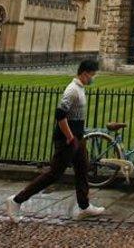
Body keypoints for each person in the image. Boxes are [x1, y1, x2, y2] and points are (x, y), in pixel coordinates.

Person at [6, 59, 104, 222]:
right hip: (67, 141)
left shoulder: (80, 89)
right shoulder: (72, 90)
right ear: (85, 73)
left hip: (77, 139)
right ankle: (16, 200)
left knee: (82, 169)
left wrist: (77, 137)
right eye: (92, 75)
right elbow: (60, 115)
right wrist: (70, 137)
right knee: (53, 175)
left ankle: (84, 206)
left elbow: (74, 116)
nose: (93, 78)